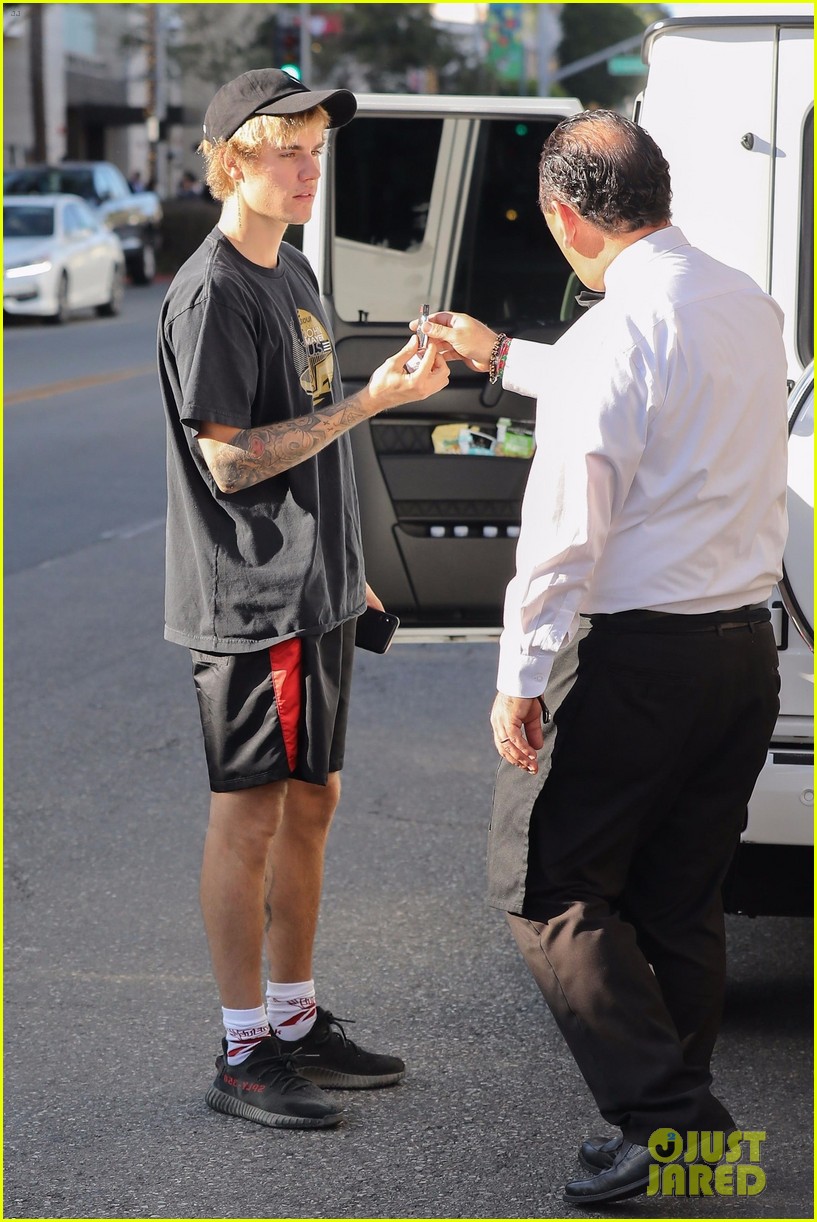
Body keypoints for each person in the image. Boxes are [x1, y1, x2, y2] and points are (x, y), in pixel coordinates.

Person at [420, 110, 787, 1204]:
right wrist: (502, 356)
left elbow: (565, 534)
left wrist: (517, 678)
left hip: (634, 660)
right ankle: (663, 1136)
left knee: (543, 887)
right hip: (737, 652)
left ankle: (685, 1127)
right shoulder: (742, 302)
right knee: (679, 899)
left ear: (565, 215)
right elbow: (648, 398)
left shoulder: (609, 339)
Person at [157, 68, 449, 1131]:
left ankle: (293, 1019)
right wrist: (376, 400)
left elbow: (314, 434)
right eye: (289, 149)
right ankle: (242, 1051)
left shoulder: (292, 273)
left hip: (314, 590)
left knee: (312, 801)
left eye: (317, 149)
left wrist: (351, 567)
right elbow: (231, 463)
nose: (308, 168)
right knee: (250, 815)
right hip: (251, 602)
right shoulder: (216, 291)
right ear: (233, 158)